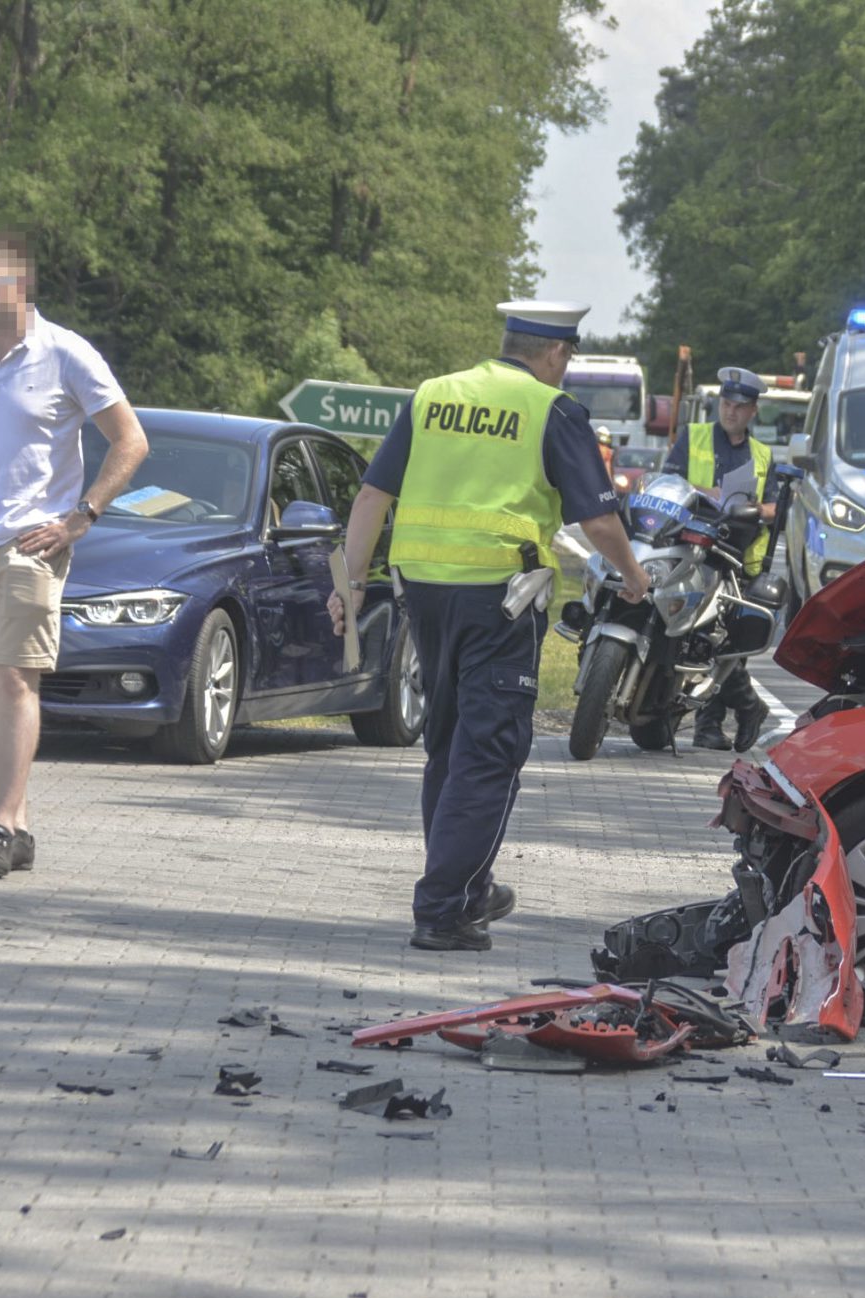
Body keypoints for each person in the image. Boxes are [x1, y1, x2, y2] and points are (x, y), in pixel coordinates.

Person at [329, 300, 652, 952]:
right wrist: (634, 576)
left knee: (449, 746)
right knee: (488, 753)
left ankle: (469, 890)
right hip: (501, 600)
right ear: (556, 353)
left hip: (424, 595)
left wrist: (350, 585)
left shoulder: (433, 396)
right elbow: (597, 520)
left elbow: (371, 495)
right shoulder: (551, 409)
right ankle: (443, 907)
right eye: (567, 359)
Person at [0, 232, 148, 879]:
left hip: (30, 547)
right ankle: (18, 824)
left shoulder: (66, 352)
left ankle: (0, 826)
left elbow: (130, 440)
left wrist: (81, 516)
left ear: (21, 284)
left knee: (15, 679)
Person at [661, 366, 776, 752]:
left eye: (740, 406)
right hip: (690, 548)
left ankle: (709, 726)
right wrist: (707, 491)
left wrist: (754, 508)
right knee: (693, 635)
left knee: (721, 642)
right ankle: (745, 707)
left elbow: (776, 506)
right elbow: (668, 482)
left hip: (737, 558)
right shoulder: (692, 437)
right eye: (726, 403)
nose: (731, 411)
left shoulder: (762, 455)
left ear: (752, 411)